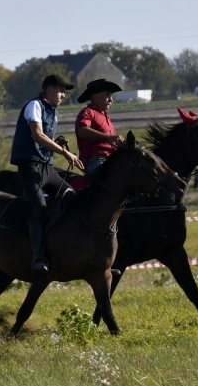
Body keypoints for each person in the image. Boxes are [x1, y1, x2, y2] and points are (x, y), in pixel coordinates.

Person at [9, 74, 84, 274]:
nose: (63, 95)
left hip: (47, 168)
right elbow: (38, 135)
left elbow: (45, 141)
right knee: (39, 207)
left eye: (64, 92)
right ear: (49, 89)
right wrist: (65, 152)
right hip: (30, 167)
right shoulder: (34, 105)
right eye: (60, 90)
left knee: (72, 198)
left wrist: (58, 143)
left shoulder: (53, 113)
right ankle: (38, 257)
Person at [74, 79, 124, 176]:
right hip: (96, 160)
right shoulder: (87, 112)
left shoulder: (106, 117)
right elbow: (82, 131)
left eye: (111, 95)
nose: (111, 100)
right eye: (107, 95)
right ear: (94, 96)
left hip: (111, 157)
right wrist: (107, 137)